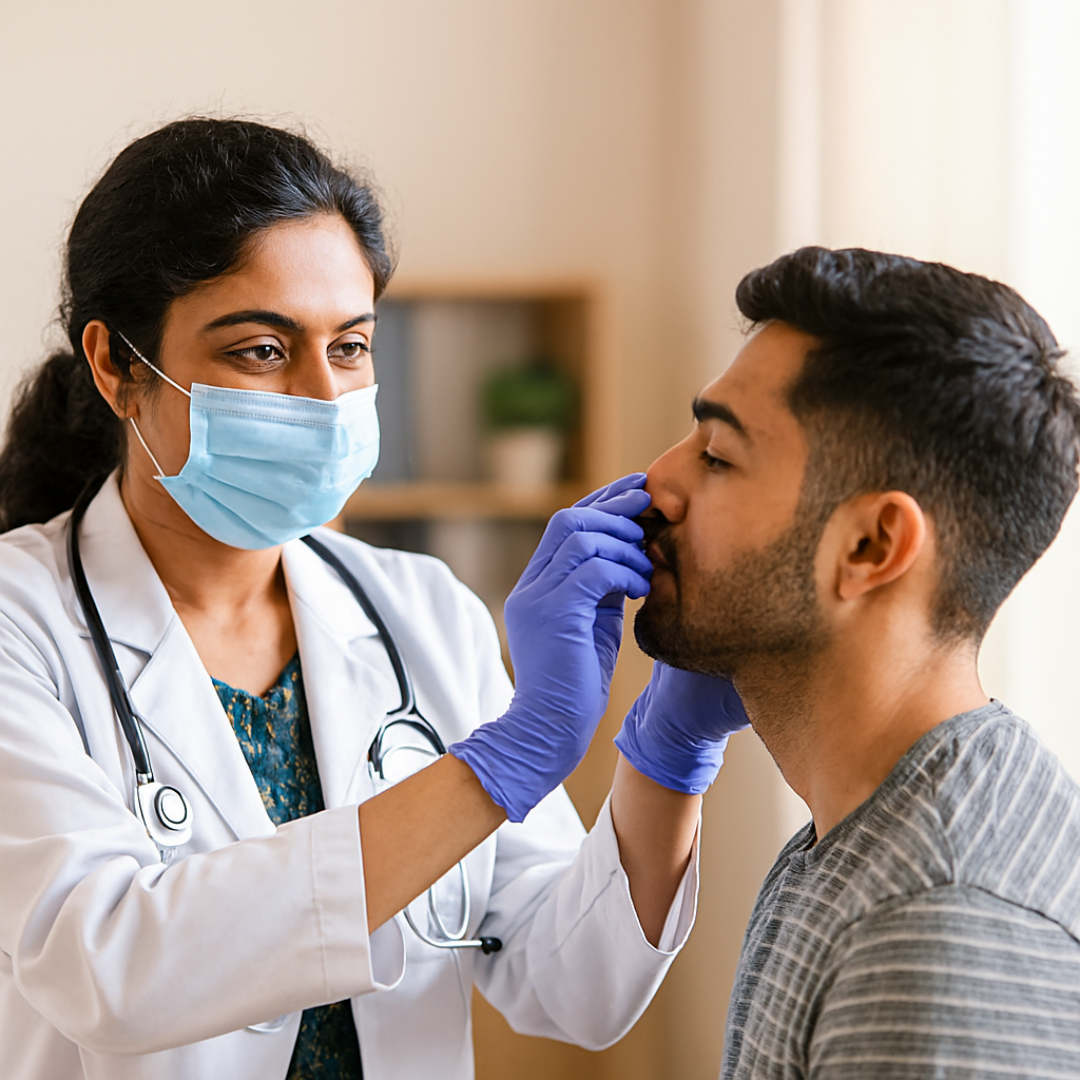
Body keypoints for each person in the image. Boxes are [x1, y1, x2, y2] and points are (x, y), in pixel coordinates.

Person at [0, 118, 749, 1080]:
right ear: (116, 368)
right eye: (262, 351)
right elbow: (110, 968)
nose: (321, 396)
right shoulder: (23, 622)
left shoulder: (418, 611)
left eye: (349, 346)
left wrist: (668, 753)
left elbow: (576, 987)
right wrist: (500, 763)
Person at [621, 246, 1080, 1078]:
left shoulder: (937, 922)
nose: (657, 481)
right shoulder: (861, 834)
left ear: (870, 546)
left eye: (718, 456)